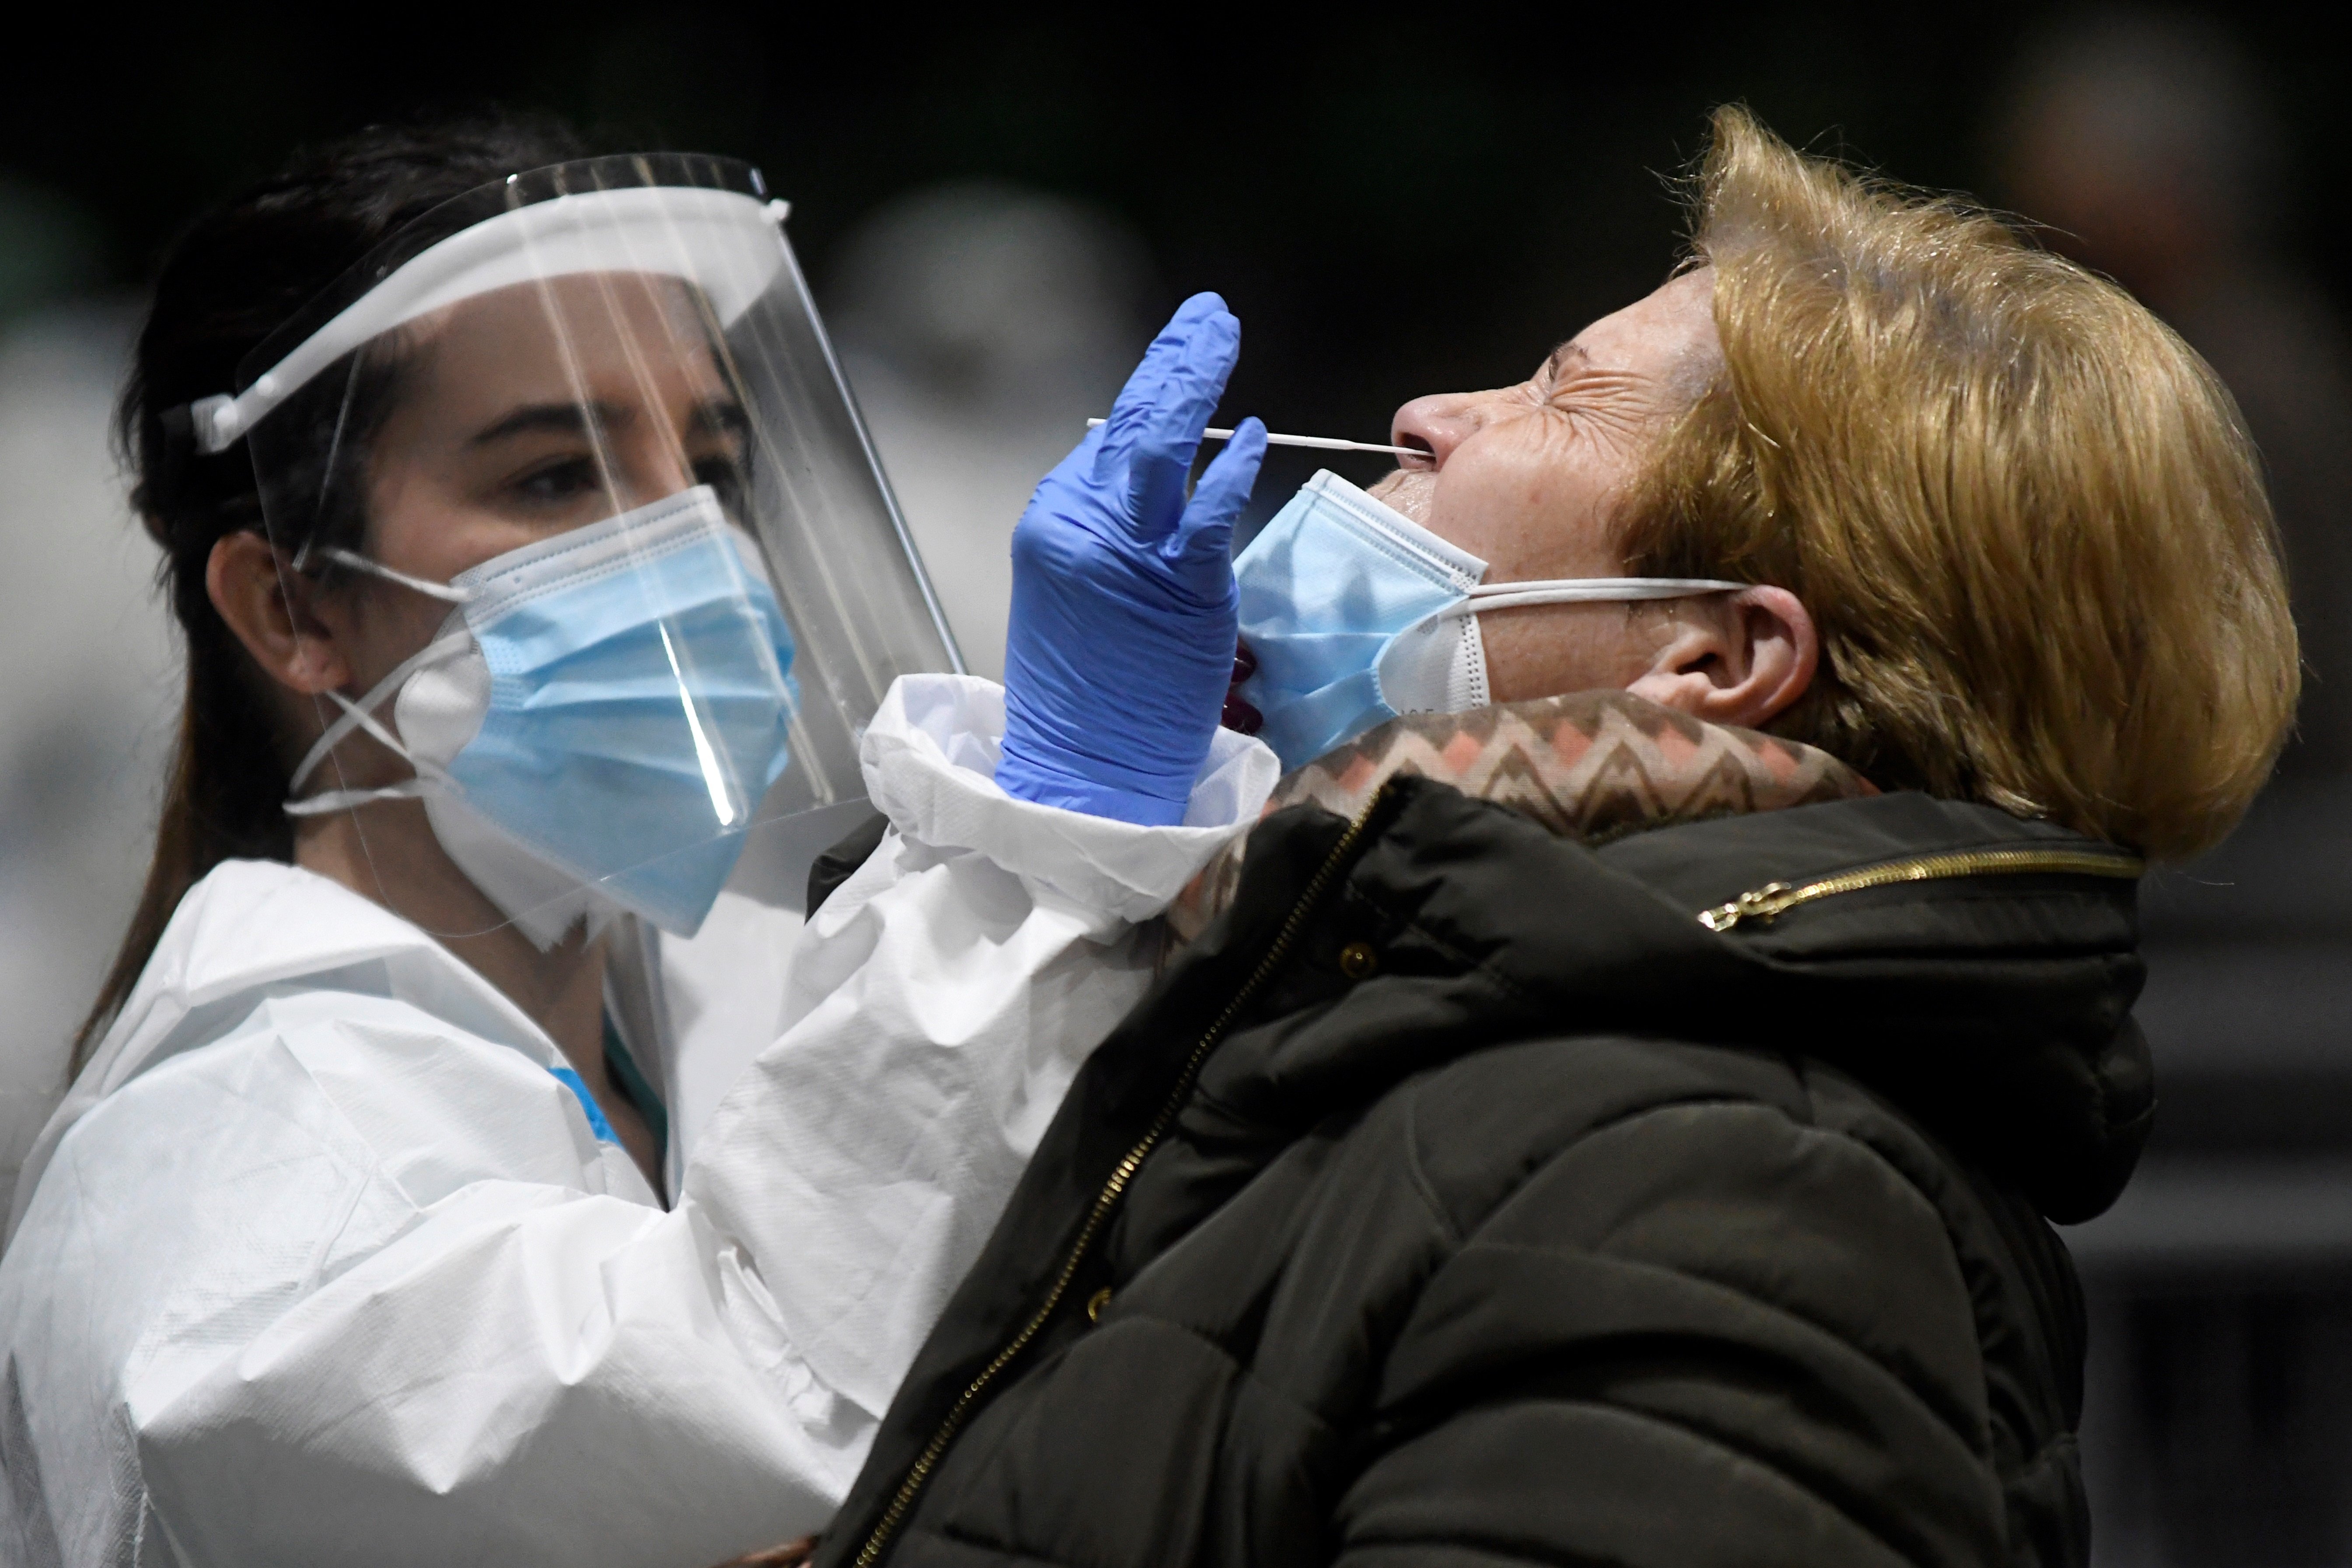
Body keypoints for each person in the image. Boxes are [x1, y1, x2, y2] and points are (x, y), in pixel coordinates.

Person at [800, 106, 2298, 1568]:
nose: (1426, 416)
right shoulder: (1432, 1025)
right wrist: (1083, 821)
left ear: (1714, 663)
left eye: (1557, 392)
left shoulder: (1725, 1192)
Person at [0, 117, 1278, 1565]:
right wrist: (1053, 825)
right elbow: (744, 1382)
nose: (696, 551)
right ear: (291, 609)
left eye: (715, 467)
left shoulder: (725, 997)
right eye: (554, 476)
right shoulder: (229, 1175)